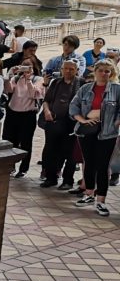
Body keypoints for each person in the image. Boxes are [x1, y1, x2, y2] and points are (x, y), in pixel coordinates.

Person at [70, 60, 120, 217]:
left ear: (111, 73)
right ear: (96, 71)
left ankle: (101, 201)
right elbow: (74, 106)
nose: (104, 74)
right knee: (89, 162)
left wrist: (117, 122)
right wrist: (82, 120)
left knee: (103, 166)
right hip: (87, 132)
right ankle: (89, 194)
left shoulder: (116, 89)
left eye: (107, 71)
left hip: (107, 133)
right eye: (101, 70)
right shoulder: (85, 88)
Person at [39, 58, 80, 190]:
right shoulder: (56, 82)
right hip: (54, 121)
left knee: (69, 153)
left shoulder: (81, 84)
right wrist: (47, 111)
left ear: (77, 70)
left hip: (71, 124)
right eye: (65, 68)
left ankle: (68, 180)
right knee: (51, 151)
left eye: (71, 69)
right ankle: (51, 178)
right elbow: (46, 100)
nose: (67, 71)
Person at [3, 61, 44, 179]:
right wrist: (9, 75)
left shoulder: (38, 79)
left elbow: (34, 94)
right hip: (12, 113)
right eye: (24, 66)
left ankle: (23, 168)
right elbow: (8, 90)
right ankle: (10, 166)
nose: (26, 69)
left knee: (26, 142)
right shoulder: (16, 78)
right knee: (9, 141)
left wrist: (28, 80)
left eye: (29, 67)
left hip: (28, 114)